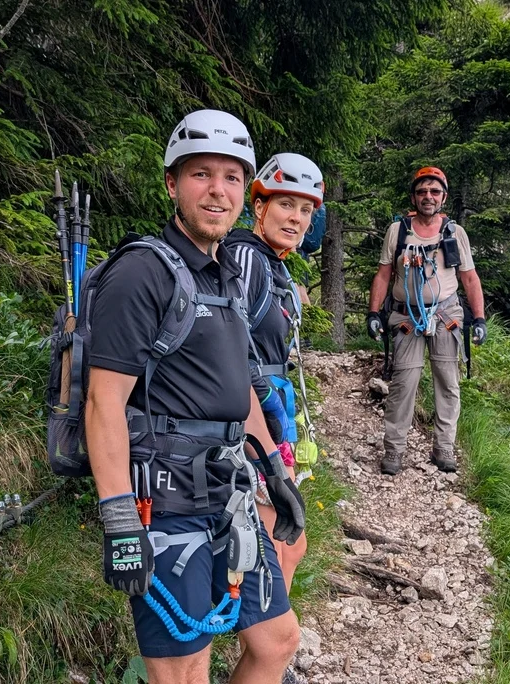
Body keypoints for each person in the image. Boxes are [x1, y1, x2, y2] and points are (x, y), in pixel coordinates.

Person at [85, 110, 305, 683]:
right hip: (166, 504)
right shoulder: (143, 273)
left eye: (231, 177)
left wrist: (274, 475)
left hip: (228, 489)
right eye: (201, 174)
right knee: (185, 669)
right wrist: (117, 518)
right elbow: (103, 403)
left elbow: (240, 392)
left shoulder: (228, 272)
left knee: (277, 642)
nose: (217, 190)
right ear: (172, 184)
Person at [224, 152, 324, 593]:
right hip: (249, 414)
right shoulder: (247, 258)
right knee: (280, 540)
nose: (296, 218)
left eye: (305, 210)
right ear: (259, 206)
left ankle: (269, 640)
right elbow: (228, 344)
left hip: (269, 405)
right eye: (286, 204)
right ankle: (271, 641)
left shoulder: (270, 263)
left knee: (290, 542)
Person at [365, 166, 486, 476]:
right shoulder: (398, 231)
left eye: (434, 192)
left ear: (443, 197)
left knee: (447, 381)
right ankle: (394, 449)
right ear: (414, 197)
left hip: (445, 313)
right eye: (422, 192)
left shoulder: (455, 233)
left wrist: (480, 318)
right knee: (404, 383)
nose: (428, 197)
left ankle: (444, 448)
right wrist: (374, 313)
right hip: (406, 314)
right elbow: (383, 274)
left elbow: (469, 279)